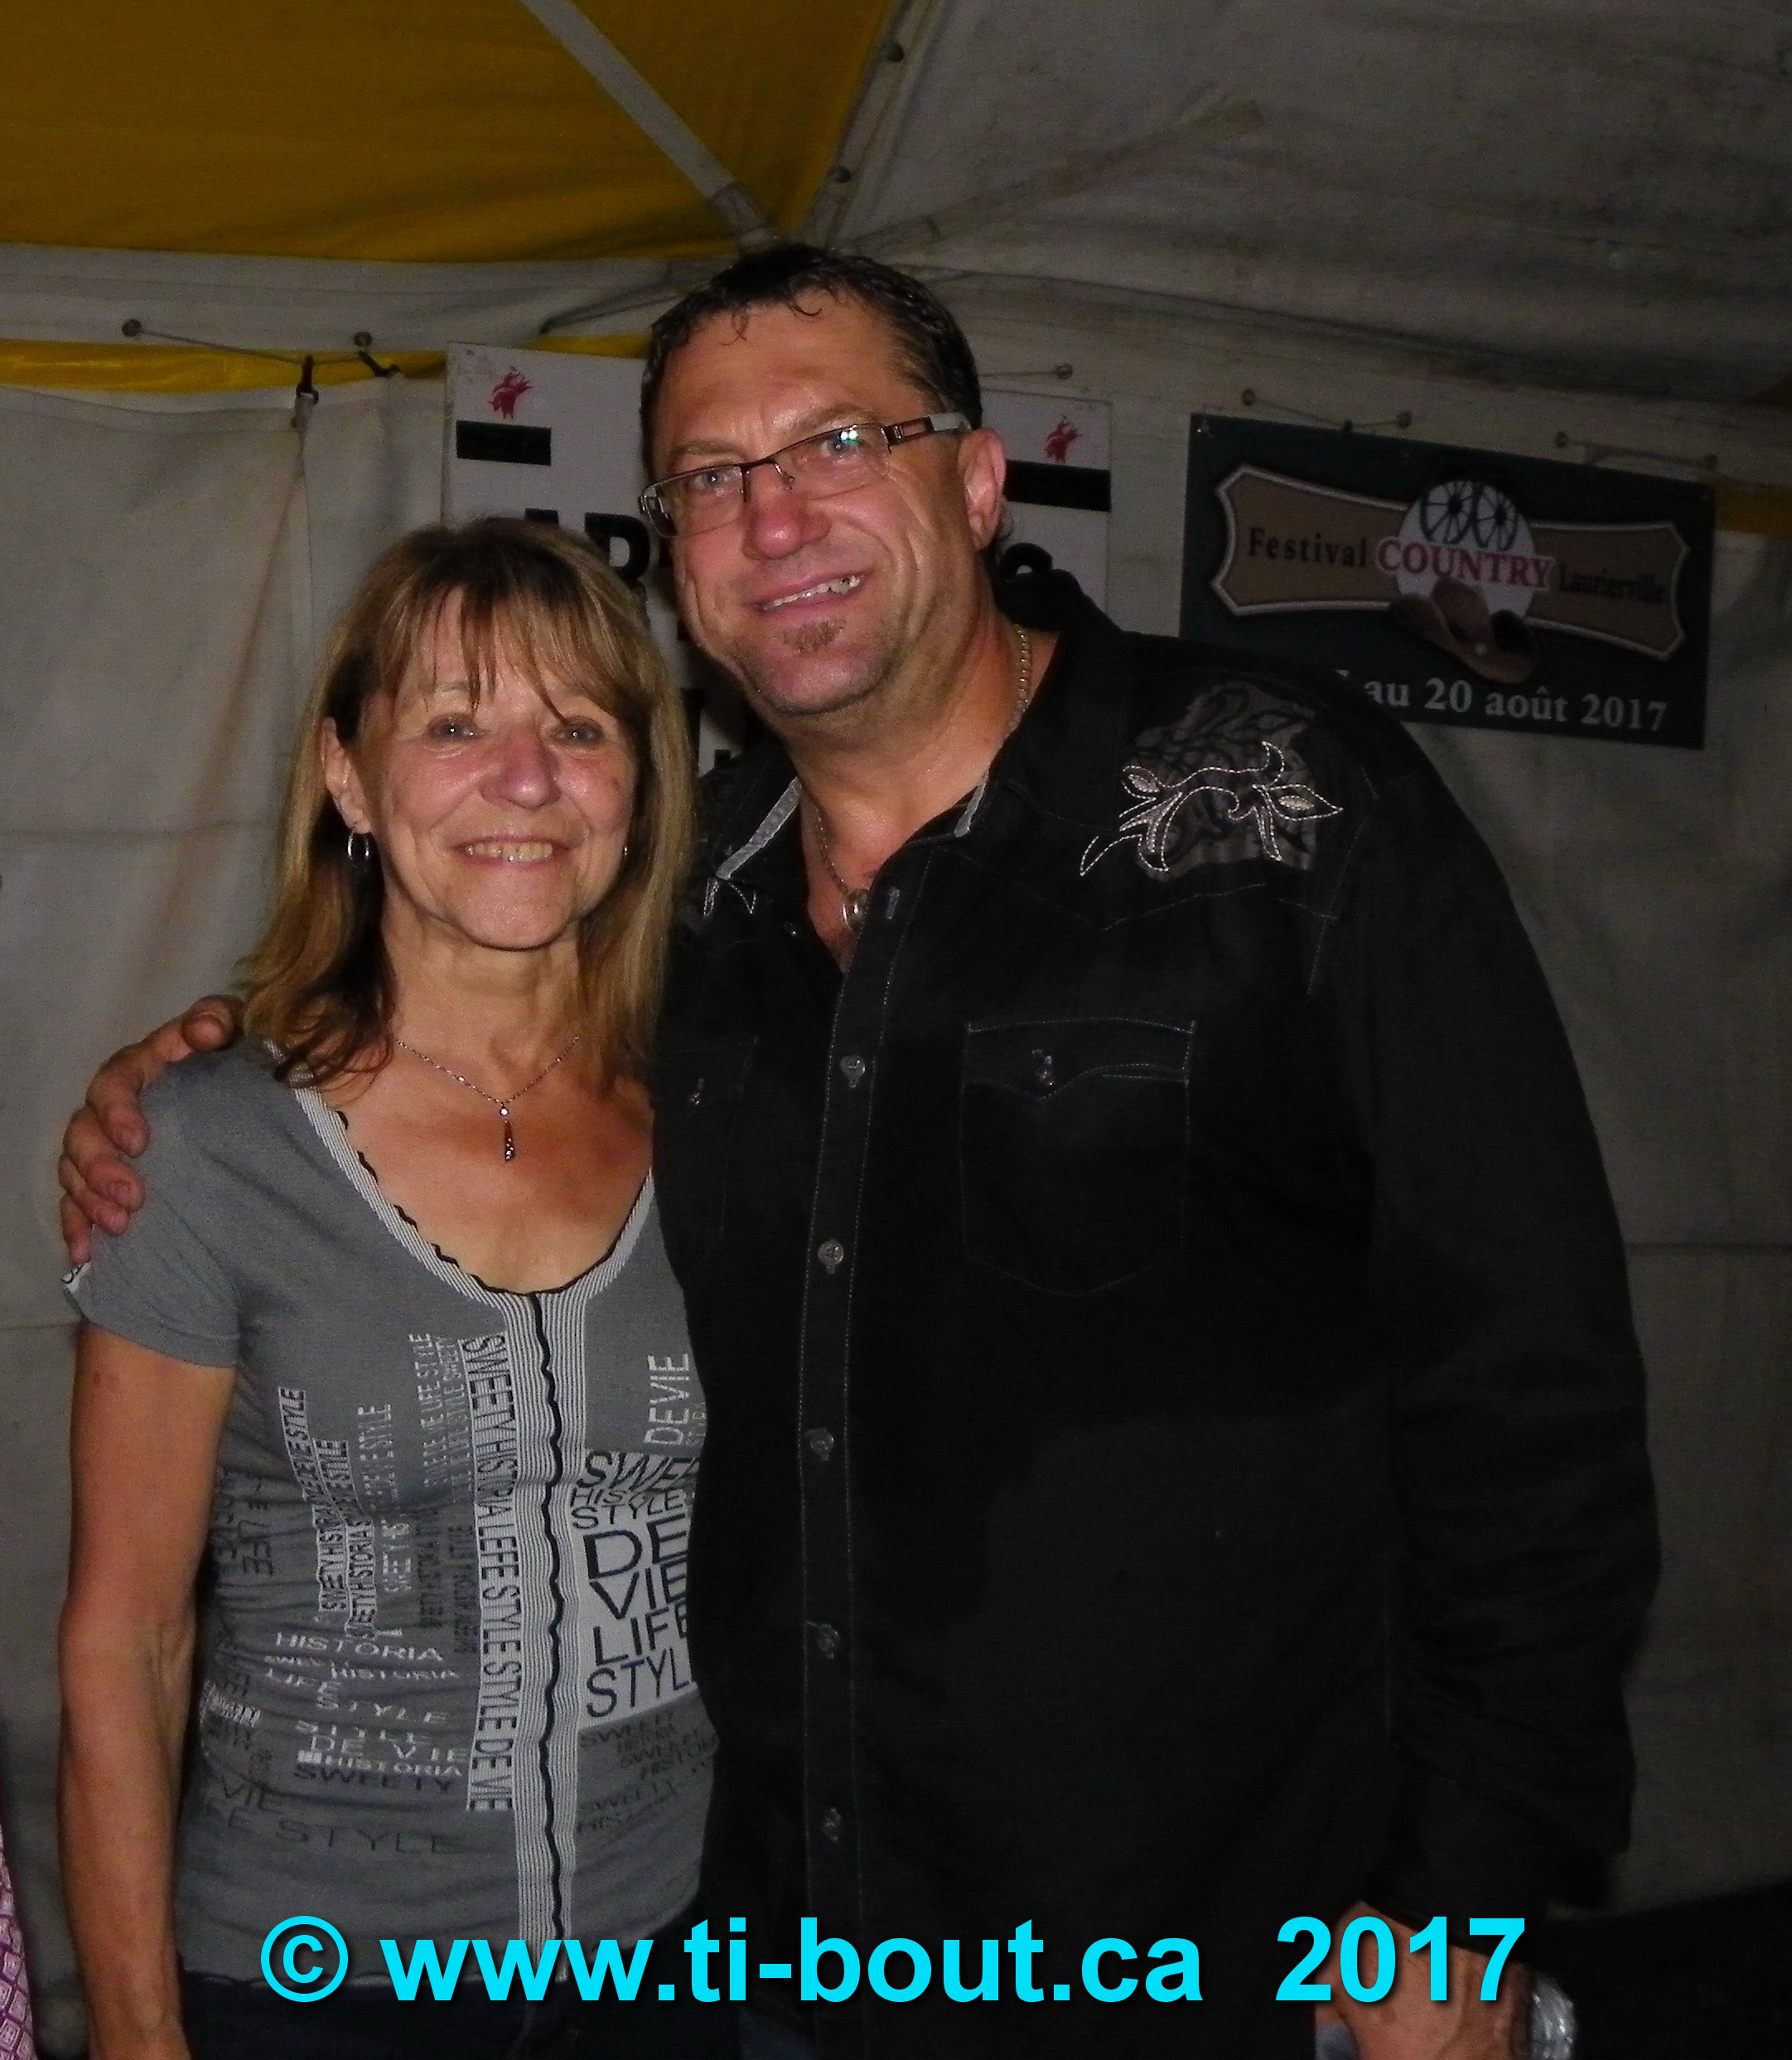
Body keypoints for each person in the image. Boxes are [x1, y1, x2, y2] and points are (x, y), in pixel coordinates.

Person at [62, 249, 1659, 2060]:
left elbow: (1527, 1385)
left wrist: (1457, 1912)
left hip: (1210, 1954)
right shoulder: (699, 915)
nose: (775, 515)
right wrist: (196, 1063)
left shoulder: (1276, 808)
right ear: (672, 548)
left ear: (976, 481)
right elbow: (457, 972)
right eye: (711, 475)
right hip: (786, 1964)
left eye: (838, 440)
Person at [56, 519, 735, 2060]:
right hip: (311, 1988)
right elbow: (125, 1641)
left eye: (579, 727)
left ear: (641, 784)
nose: (525, 778)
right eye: (453, 724)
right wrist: (142, 2036)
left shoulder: (726, 1109)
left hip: (670, 1962)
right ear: (348, 778)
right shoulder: (205, 1144)